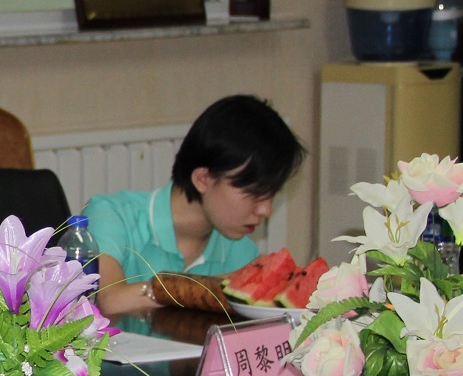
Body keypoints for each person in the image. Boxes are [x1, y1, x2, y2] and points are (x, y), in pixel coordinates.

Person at [84, 94, 307, 318]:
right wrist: (216, 285)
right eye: (254, 193)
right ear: (203, 179)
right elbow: (111, 301)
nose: (266, 210)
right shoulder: (109, 216)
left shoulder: (242, 252)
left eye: (272, 195)